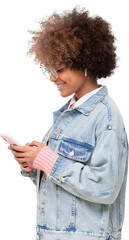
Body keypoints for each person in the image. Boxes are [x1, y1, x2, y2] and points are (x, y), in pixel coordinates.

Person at [8, 7, 128, 240]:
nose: (53, 78)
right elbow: (65, 190)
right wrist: (34, 166)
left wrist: (48, 160)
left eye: (59, 69)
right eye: (50, 70)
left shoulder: (106, 117)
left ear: (84, 63)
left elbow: (105, 187)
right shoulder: (67, 115)